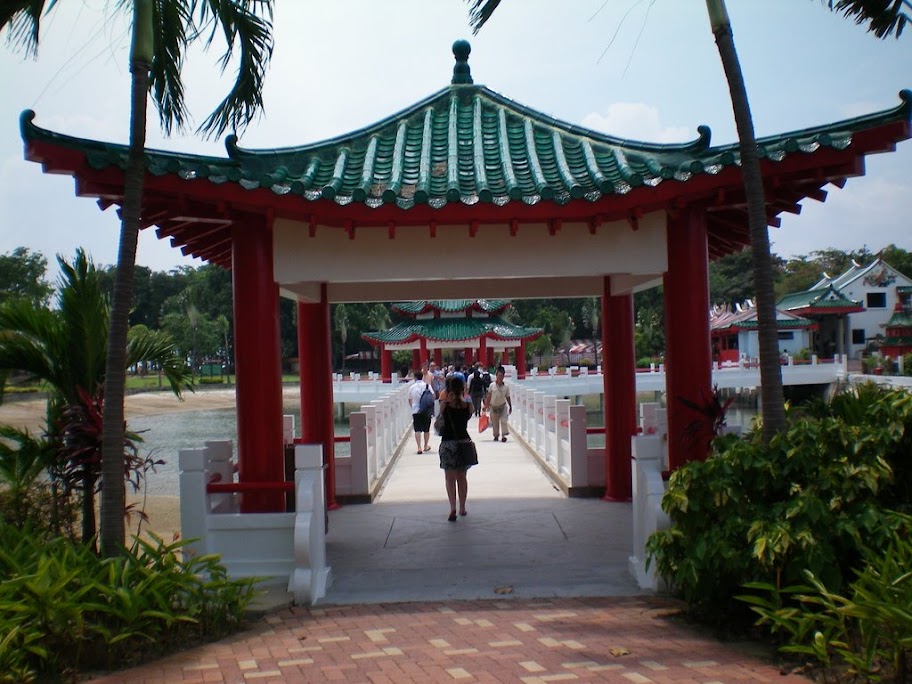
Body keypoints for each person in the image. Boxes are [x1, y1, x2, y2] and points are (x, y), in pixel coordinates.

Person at [437, 375, 477, 521]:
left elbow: (441, 414)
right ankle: (462, 507)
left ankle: (452, 507)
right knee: (462, 477)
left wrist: (448, 398)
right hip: (463, 443)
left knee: (449, 478)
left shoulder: (445, 406)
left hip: (448, 443)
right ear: (462, 389)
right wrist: (463, 396)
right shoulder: (468, 406)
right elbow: (470, 412)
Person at [483, 366, 512, 442]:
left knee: (503, 420)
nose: (500, 377)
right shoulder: (492, 385)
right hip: (493, 407)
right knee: (495, 423)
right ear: (496, 376)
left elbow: (508, 397)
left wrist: (510, 406)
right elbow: (489, 396)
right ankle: (496, 435)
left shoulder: (506, 387)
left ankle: (503, 436)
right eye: (499, 376)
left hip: (503, 406)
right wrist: (486, 406)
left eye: (502, 376)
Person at [408, 369, 432, 454]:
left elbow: (410, 399)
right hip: (425, 410)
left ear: (415, 377)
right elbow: (432, 396)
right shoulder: (427, 385)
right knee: (426, 429)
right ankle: (426, 445)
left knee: (417, 429)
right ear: (422, 377)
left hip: (416, 410)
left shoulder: (412, 387)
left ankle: (419, 447)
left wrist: (413, 407)